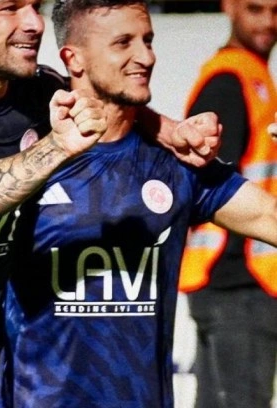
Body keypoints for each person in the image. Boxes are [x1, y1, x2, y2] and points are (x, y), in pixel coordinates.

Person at [4, 0, 277, 406]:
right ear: (73, 59)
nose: (146, 57)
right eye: (123, 43)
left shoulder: (177, 163)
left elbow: (269, 218)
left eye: (147, 40)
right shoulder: (26, 160)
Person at [178, 0, 277, 406]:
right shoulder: (228, 81)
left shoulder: (252, 77)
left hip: (234, 280)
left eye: (276, 10)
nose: (269, 21)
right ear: (229, 7)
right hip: (236, 280)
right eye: (255, 9)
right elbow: (211, 185)